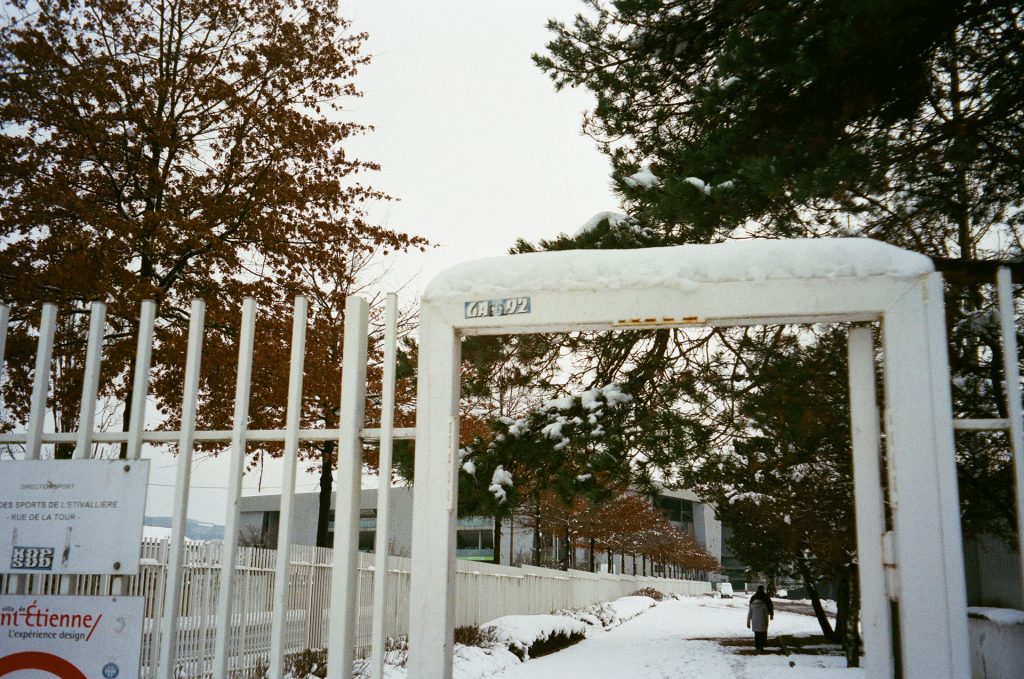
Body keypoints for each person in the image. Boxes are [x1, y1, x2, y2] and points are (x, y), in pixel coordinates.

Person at [746, 585, 774, 653]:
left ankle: (757, 645)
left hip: (755, 619)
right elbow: (770, 605)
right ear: (763, 589)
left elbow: (750, 611)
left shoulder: (753, 597)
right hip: (763, 618)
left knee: (757, 634)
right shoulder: (766, 597)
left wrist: (748, 622)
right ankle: (762, 645)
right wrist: (771, 614)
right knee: (763, 633)